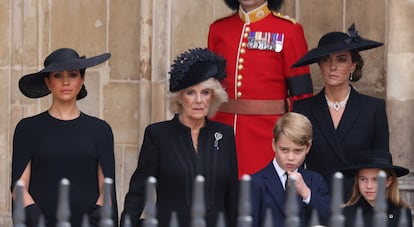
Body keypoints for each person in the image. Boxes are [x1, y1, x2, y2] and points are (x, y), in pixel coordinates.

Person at [120, 48, 239, 227]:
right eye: (191, 92)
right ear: (179, 98)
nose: (199, 100)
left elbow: (233, 195)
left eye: (205, 92)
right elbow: (139, 192)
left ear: (213, 96)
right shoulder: (158, 135)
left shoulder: (225, 135)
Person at [10, 48, 118, 227]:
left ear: (82, 80)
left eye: (73, 75)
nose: (66, 81)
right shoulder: (27, 128)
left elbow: (107, 189)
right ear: (48, 82)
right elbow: (19, 188)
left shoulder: (101, 130)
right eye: (58, 75)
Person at [208, 0, 313, 177]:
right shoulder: (219, 29)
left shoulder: (289, 30)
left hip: (267, 136)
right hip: (221, 132)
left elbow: (301, 95)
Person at [292, 23, 389, 198]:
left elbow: (381, 166)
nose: (333, 66)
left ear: (353, 66)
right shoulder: (303, 108)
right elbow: (294, 162)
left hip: (359, 202)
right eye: (326, 59)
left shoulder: (373, 108)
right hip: (316, 201)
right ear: (319, 65)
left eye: (341, 59)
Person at [250, 112, 330, 227]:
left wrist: (306, 193)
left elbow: (330, 218)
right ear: (274, 145)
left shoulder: (316, 181)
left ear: (308, 147)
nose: (290, 157)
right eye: (284, 150)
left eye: (297, 151)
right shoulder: (256, 182)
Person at [341, 150, 412, 227]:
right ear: (357, 181)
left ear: (388, 181)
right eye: (363, 179)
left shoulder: (402, 213)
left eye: (376, 180)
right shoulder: (346, 214)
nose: (369, 186)